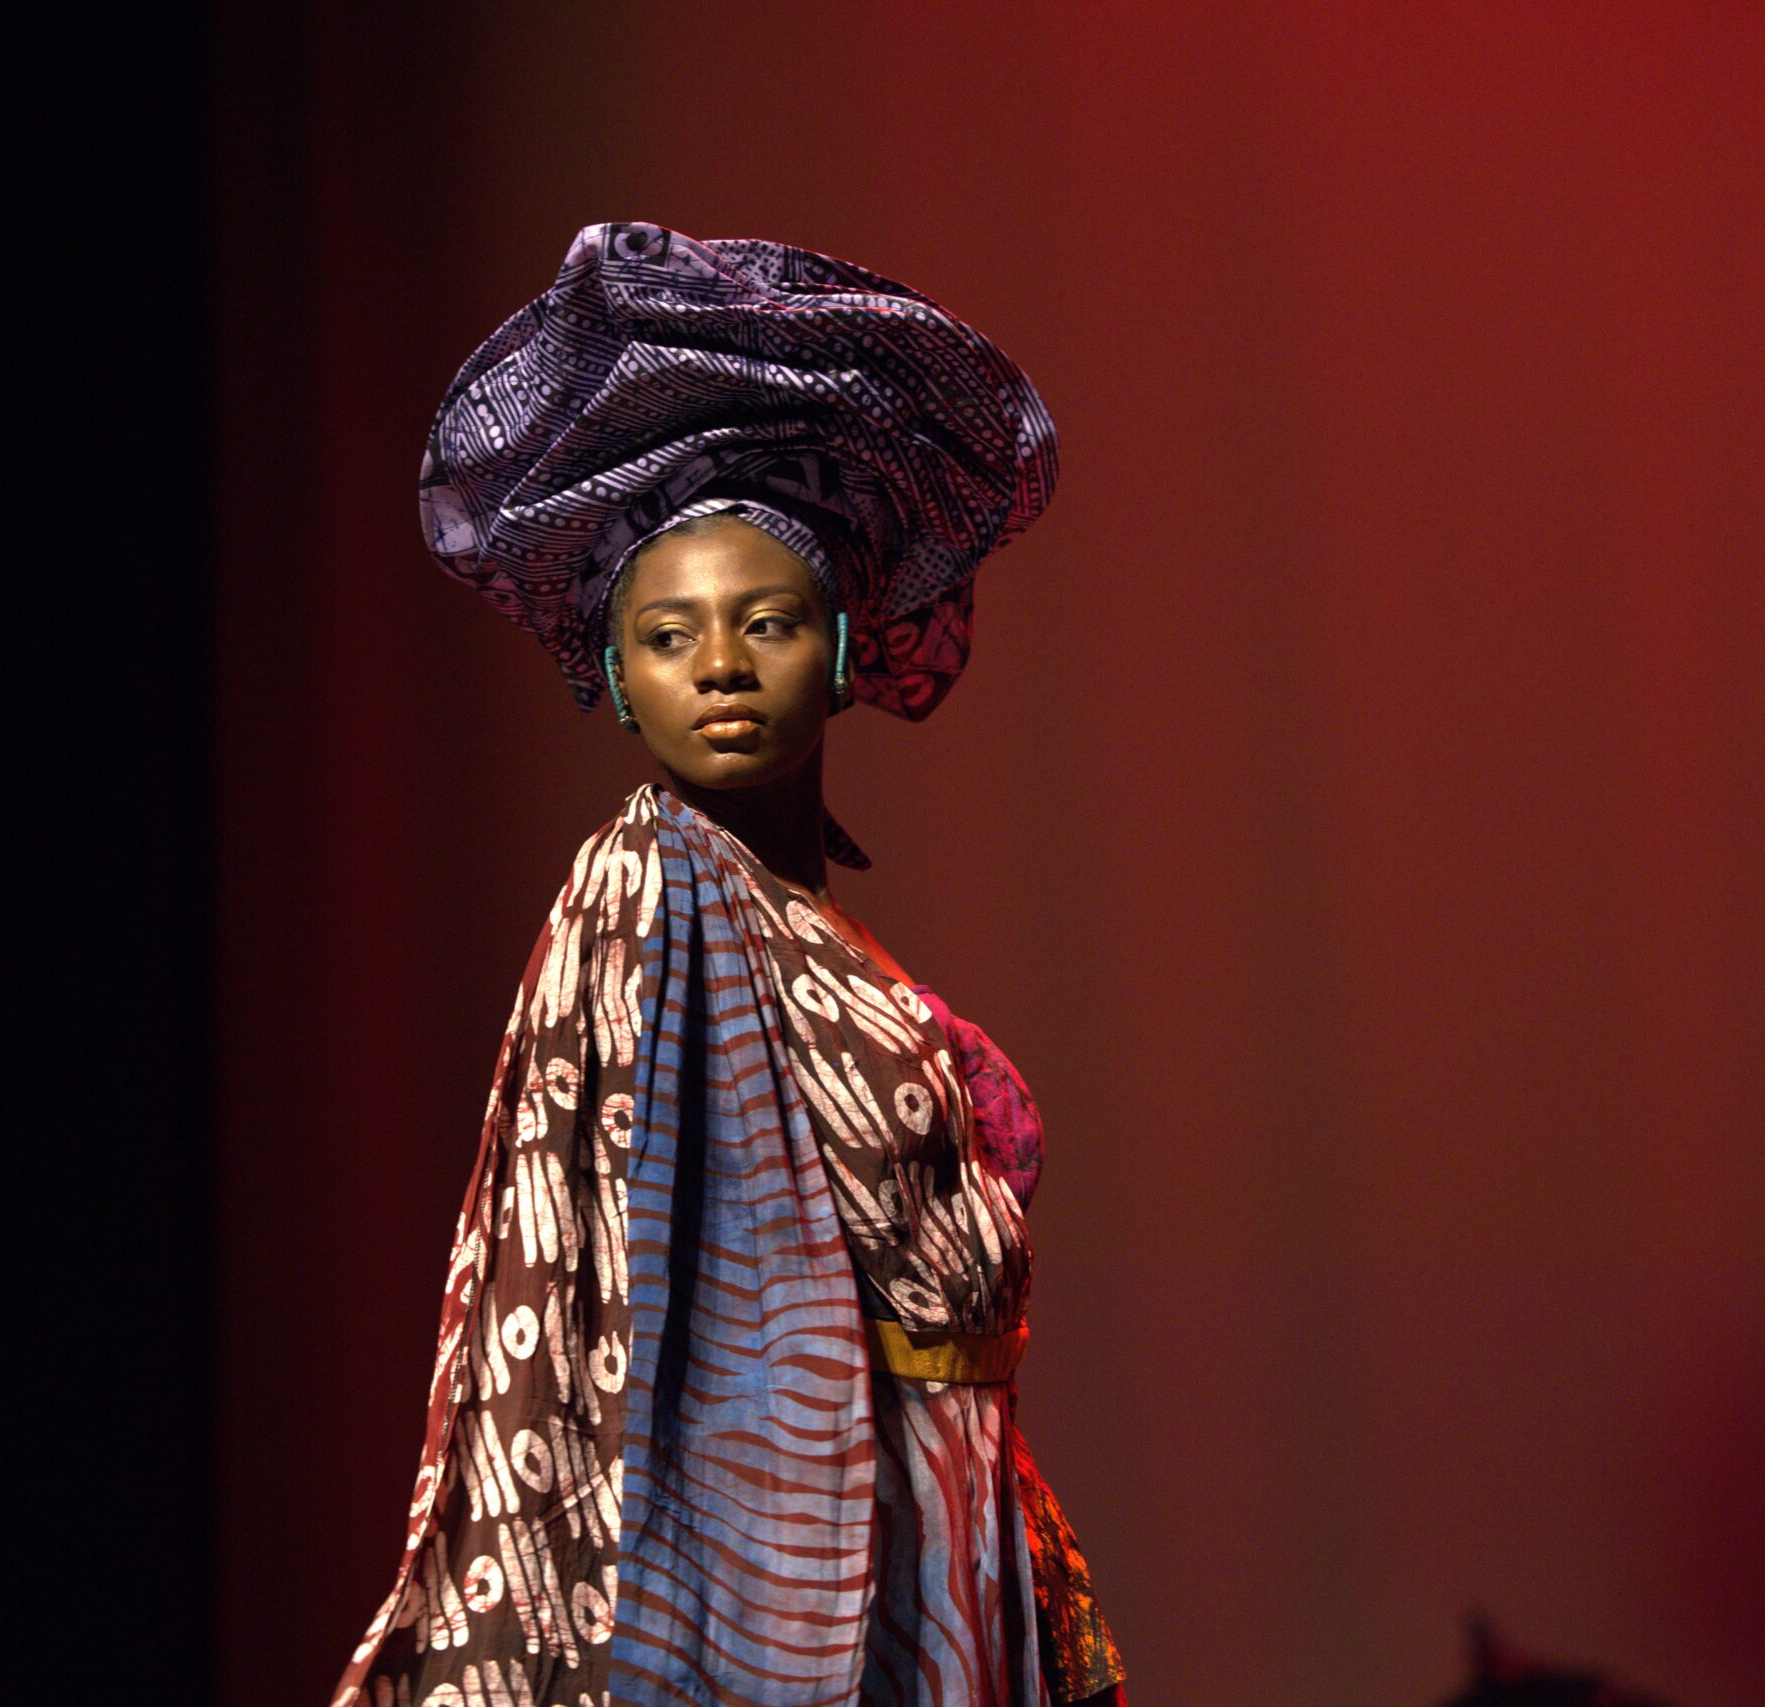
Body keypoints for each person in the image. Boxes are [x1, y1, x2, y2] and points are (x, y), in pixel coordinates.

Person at [332, 223, 1127, 1707]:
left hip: (951, 1532)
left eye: (766, 621)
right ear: (615, 678)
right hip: (801, 1560)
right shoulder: (650, 885)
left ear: (844, 645)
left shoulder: (829, 936)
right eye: (666, 635)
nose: (718, 666)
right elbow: (636, 1299)